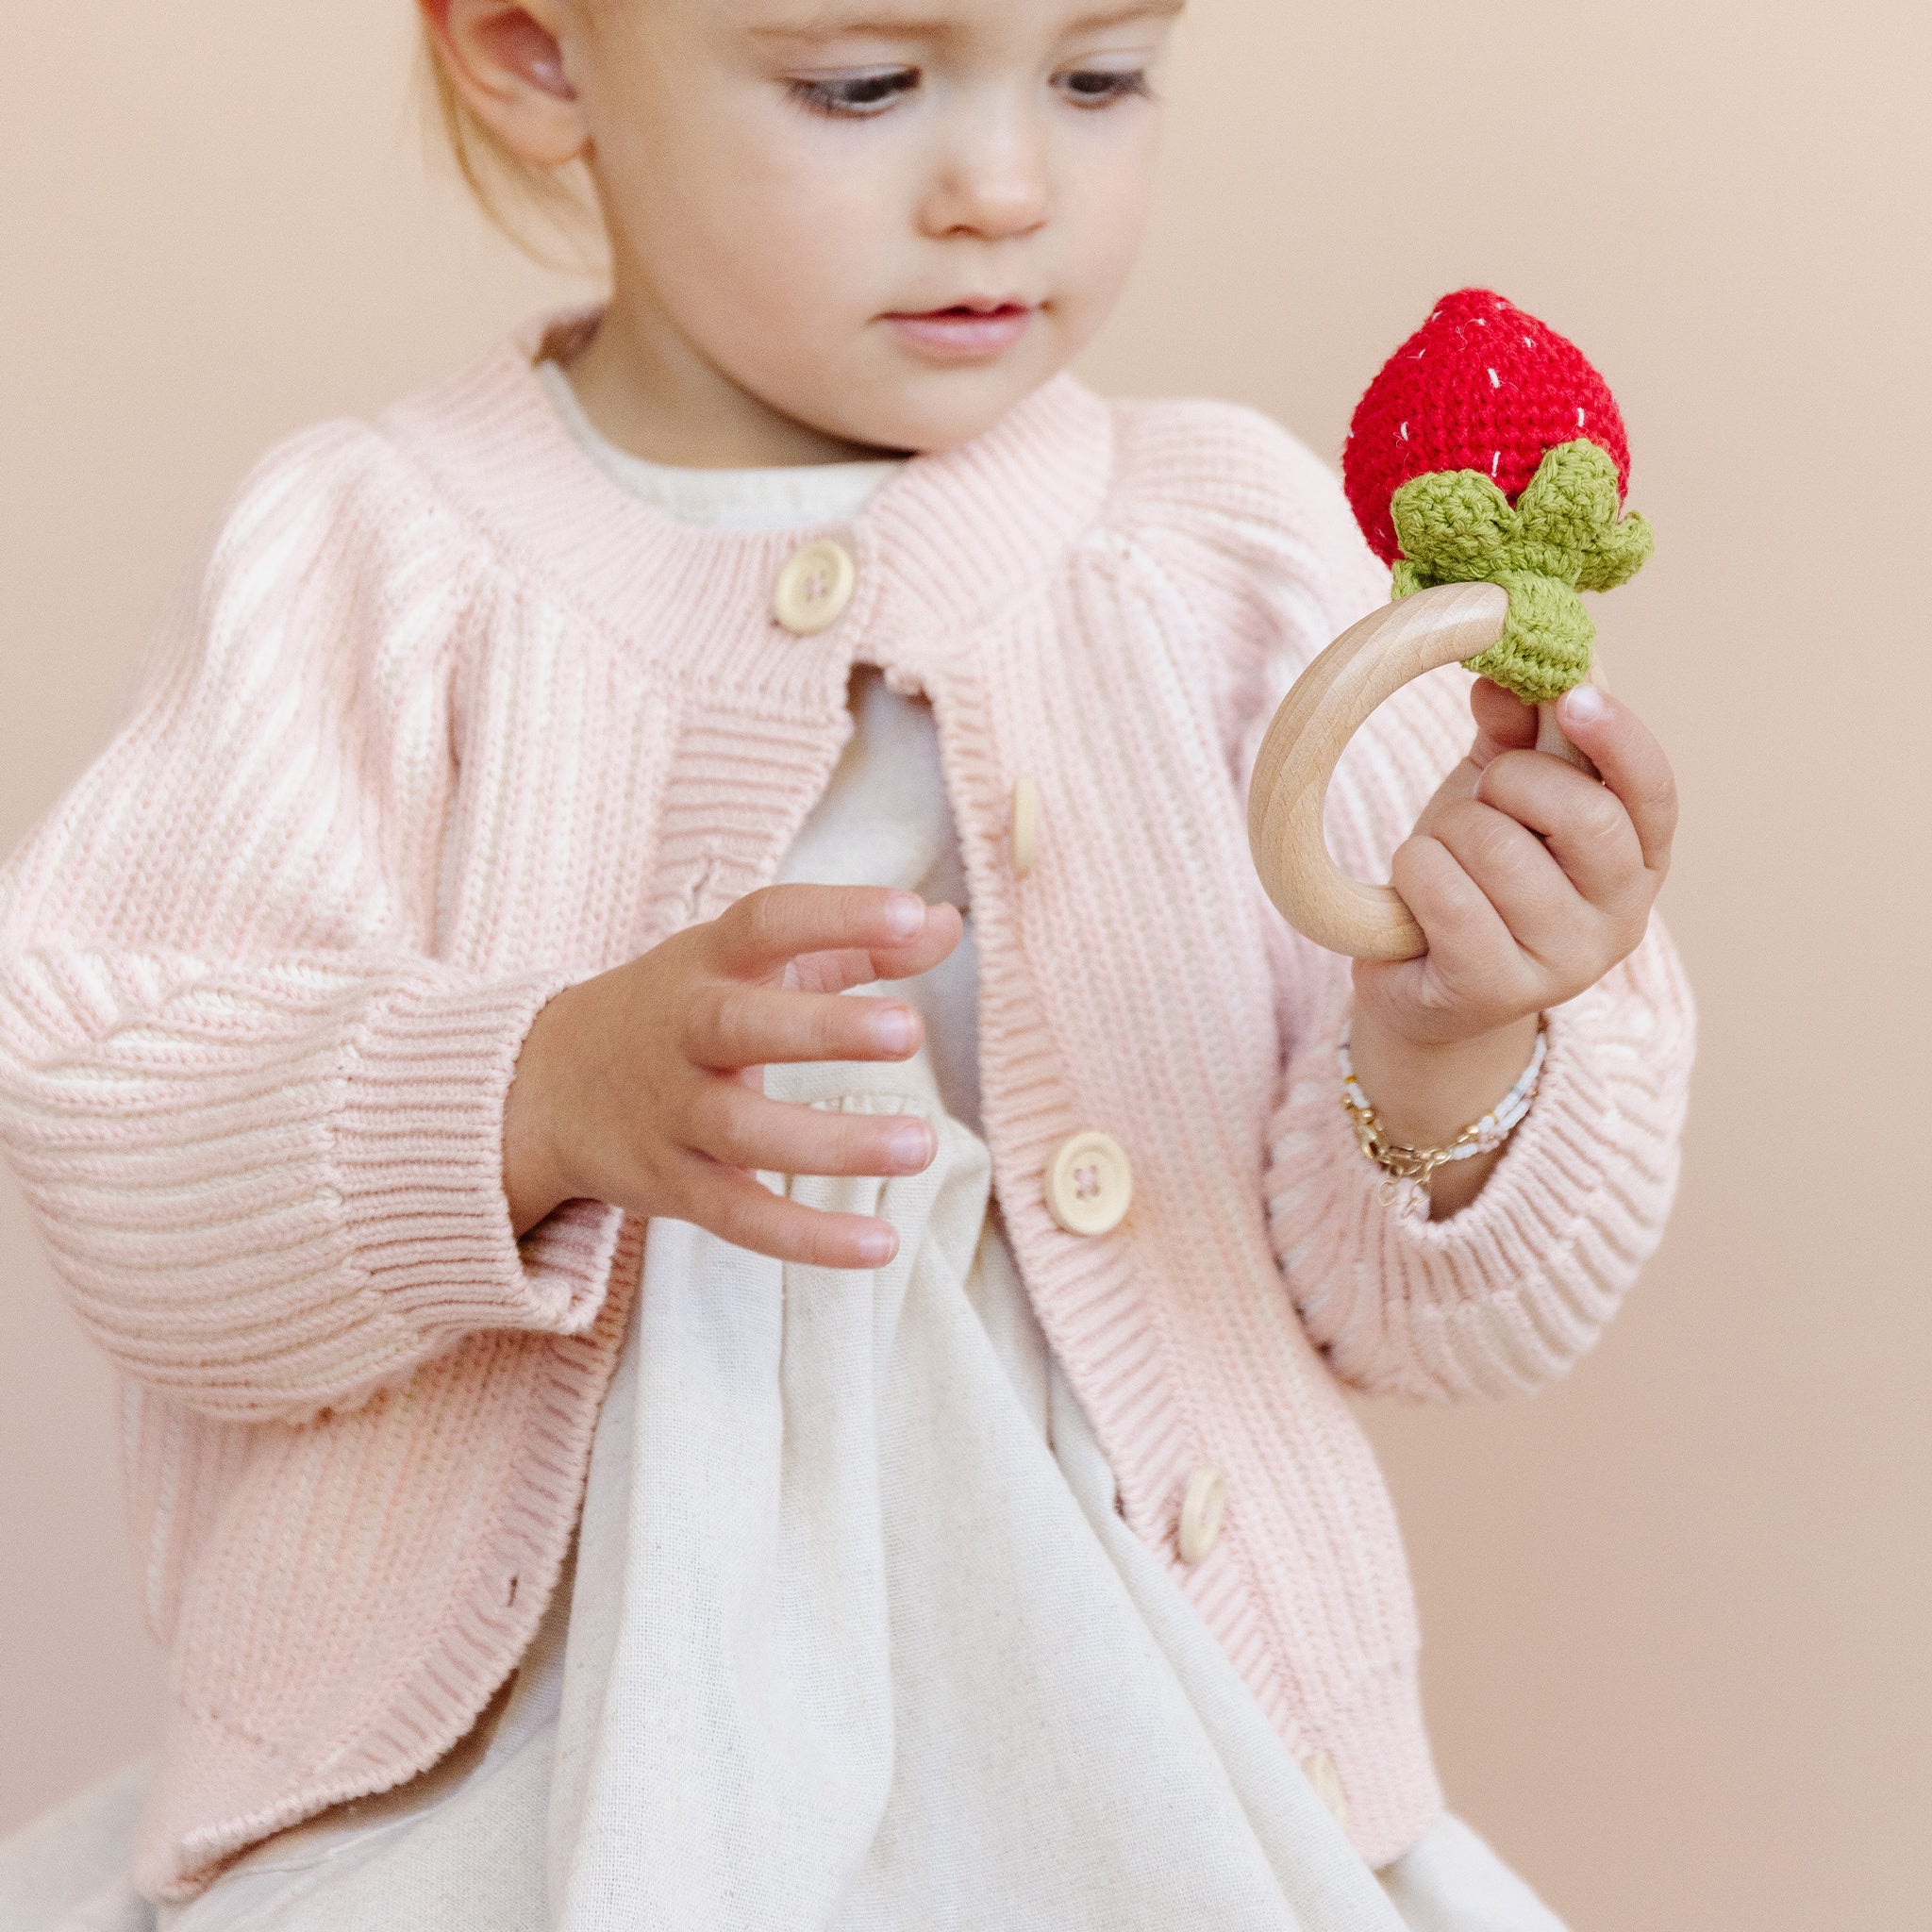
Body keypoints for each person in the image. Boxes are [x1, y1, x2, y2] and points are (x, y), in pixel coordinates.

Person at [0, 0, 1693, 1925]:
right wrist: (530, 1091)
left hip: (1150, 1755)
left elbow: (1439, 1321)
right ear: (536, 52)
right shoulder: (370, 563)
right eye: (863, 87)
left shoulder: (1231, 558)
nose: (1003, 189)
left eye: (1100, 75)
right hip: (526, 1797)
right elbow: (116, 1135)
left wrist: (1455, 1050)